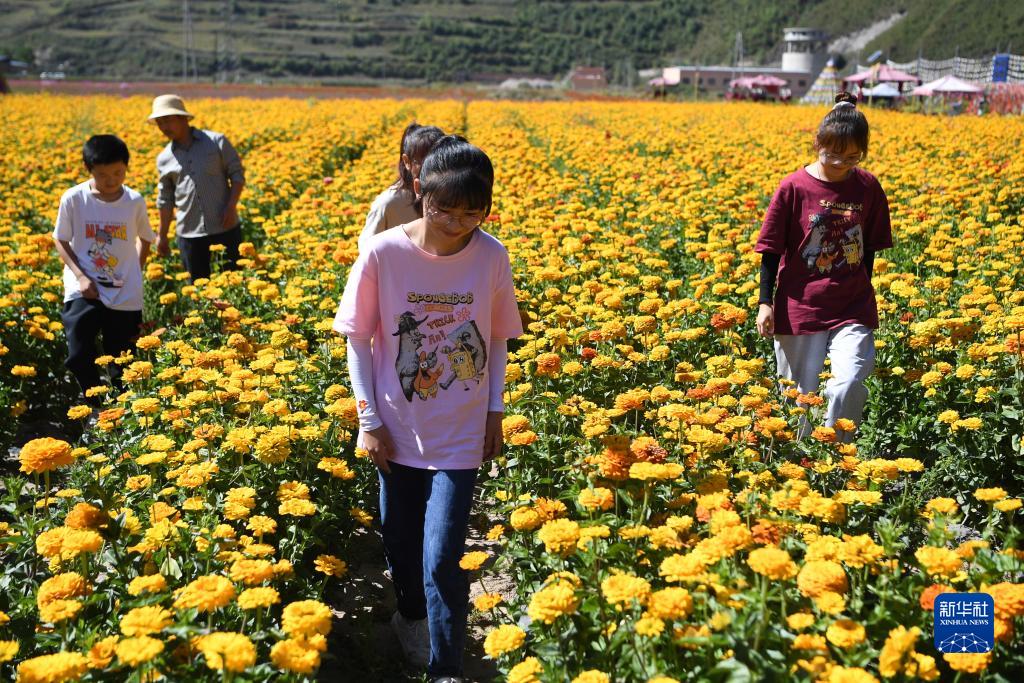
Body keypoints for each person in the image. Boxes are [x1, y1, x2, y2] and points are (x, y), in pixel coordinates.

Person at [334, 135, 523, 680]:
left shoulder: (491, 254)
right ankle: (410, 616)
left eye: (472, 213)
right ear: (420, 191)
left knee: (442, 554)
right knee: (399, 540)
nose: (457, 223)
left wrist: (494, 412)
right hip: (395, 427)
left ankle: (445, 667)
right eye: (445, 210)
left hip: (460, 431)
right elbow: (358, 339)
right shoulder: (384, 252)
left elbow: (496, 339)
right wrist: (368, 419)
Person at [755, 92, 892, 442]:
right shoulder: (793, 187)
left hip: (852, 305)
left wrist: (862, 287)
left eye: (852, 157)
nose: (840, 163)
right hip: (800, 307)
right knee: (797, 401)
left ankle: (836, 455)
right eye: (832, 154)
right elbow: (770, 250)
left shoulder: (868, 187)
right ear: (817, 142)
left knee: (849, 382)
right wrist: (765, 302)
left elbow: (869, 248)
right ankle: (799, 459)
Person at [53, 135, 155, 403]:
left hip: (124, 292)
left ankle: (122, 413)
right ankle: (95, 406)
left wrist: (135, 271)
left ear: (126, 167)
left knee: (123, 360)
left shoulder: (133, 201)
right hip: (84, 287)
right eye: (103, 175)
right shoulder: (74, 198)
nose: (111, 181)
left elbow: (146, 238)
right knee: (78, 354)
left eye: (118, 173)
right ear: (89, 169)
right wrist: (80, 276)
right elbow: (60, 239)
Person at [150, 94, 245, 281]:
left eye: (167, 120)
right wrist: (162, 235)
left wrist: (231, 206)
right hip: (189, 234)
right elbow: (165, 200)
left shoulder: (216, 142)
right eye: (159, 123)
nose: (164, 127)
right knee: (198, 290)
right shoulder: (164, 158)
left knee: (235, 284)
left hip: (224, 226)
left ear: (183, 118)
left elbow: (237, 175)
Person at [357, 122, 445, 253]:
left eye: (439, 160)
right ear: (407, 161)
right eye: (423, 161)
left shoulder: (451, 198)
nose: (432, 167)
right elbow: (367, 250)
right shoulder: (388, 203)